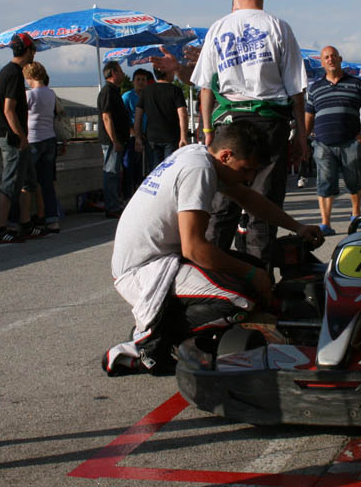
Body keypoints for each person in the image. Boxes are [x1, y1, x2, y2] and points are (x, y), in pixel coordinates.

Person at [102, 121, 324, 375]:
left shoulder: (199, 154)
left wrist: (297, 227)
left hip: (161, 258)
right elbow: (195, 249)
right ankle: (150, 341)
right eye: (246, 170)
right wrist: (252, 275)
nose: (249, 178)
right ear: (226, 156)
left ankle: (180, 326)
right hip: (142, 270)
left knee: (255, 270)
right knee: (242, 296)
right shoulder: (198, 171)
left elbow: (248, 199)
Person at [190, 0, 308, 261]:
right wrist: (301, 135)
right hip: (270, 122)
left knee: (222, 205)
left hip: (229, 123)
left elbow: (205, 87)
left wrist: (207, 132)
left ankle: (211, 275)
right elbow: (297, 90)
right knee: (264, 207)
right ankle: (260, 275)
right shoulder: (279, 27)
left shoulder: (218, 28)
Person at [304, 46, 361, 235]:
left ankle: (356, 215)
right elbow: (309, 115)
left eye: (333, 56)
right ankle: (325, 223)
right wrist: (304, 138)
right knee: (325, 181)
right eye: (326, 57)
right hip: (323, 143)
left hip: (350, 141)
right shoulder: (315, 88)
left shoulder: (356, 84)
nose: (330, 59)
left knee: (354, 179)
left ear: (340, 59)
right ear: (322, 62)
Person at [0, 32, 45, 242]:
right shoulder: (14, 74)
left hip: (12, 136)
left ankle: (25, 224)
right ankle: (0, 229)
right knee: (10, 182)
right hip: (12, 138)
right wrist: (21, 136)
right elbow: (9, 110)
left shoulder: (8, 71)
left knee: (27, 181)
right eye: (33, 49)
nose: (35, 53)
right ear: (28, 50)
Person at [24, 61, 61, 232]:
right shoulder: (51, 94)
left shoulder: (30, 95)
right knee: (47, 183)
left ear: (30, 76)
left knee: (27, 181)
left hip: (33, 139)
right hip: (50, 138)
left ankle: (24, 219)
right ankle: (53, 220)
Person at [135, 67, 189, 172]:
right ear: (166, 72)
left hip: (152, 138)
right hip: (171, 138)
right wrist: (183, 137)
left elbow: (138, 116)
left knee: (155, 172)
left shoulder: (146, 91)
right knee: (170, 171)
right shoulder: (176, 90)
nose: (174, 73)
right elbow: (182, 114)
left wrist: (138, 137)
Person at [98, 60, 129, 218]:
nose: (123, 74)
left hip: (118, 139)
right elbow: (106, 117)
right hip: (111, 141)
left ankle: (115, 203)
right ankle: (112, 206)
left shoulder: (115, 91)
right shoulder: (108, 92)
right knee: (111, 172)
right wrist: (114, 140)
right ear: (113, 73)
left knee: (116, 173)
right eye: (120, 71)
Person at [122, 68, 152, 197]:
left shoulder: (149, 96)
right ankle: (128, 195)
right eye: (138, 79)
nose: (141, 82)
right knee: (130, 167)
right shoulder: (127, 96)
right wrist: (134, 134)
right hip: (132, 137)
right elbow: (123, 118)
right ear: (133, 81)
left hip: (147, 136)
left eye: (143, 80)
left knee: (143, 168)